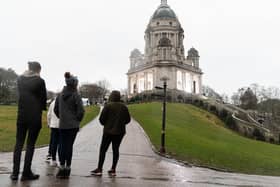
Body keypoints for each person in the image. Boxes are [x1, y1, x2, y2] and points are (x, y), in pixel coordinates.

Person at [10, 61, 47, 181]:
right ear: (38, 70)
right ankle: (26, 172)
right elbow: (43, 100)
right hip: (34, 116)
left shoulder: (20, 79)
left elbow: (21, 96)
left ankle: (15, 173)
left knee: (18, 144)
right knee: (30, 145)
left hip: (22, 115)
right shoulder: (40, 81)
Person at [91, 90, 131, 177]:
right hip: (120, 132)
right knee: (115, 150)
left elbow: (101, 119)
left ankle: (99, 169)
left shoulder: (108, 106)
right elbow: (128, 120)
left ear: (111, 97)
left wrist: (106, 124)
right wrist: (121, 123)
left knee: (103, 149)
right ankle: (113, 170)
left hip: (108, 131)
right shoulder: (124, 107)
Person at [54, 72, 84, 179]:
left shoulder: (60, 95)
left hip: (63, 125)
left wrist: (62, 118)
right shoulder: (76, 95)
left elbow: (55, 110)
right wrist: (77, 120)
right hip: (73, 125)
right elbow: (81, 111)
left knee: (62, 145)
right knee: (69, 146)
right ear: (74, 84)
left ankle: (62, 167)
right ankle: (67, 168)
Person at [47, 98, 60, 167]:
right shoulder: (63, 102)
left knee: (53, 141)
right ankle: (60, 159)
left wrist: (48, 123)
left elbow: (49, 114)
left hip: (53, 125)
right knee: (60, 143)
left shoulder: (52, 103)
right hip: (62, 125)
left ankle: (52, 157)